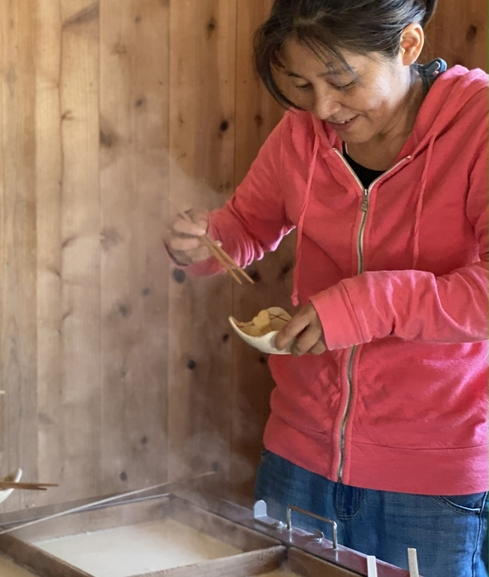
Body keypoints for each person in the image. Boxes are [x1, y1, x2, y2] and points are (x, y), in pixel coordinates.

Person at [163, 0, 487, 574]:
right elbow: (245, 226)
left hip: (433, 473)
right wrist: (206, 240)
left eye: (341, 81)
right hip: (298, 450)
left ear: (408, 46)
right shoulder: (302, 132)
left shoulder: (478, 124)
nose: (322, 108)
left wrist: (365, 303)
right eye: (301, 85)